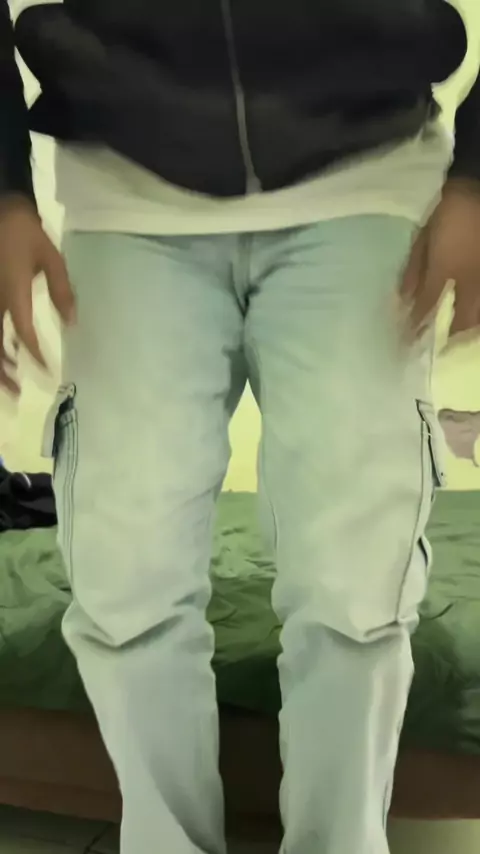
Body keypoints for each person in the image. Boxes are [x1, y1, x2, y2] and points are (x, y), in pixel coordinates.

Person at [0, 2, 479, 852]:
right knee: (126, 587)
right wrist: (5, 190)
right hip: (123, 190)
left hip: (365, 175)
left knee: (355, 592)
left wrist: (475, 175)